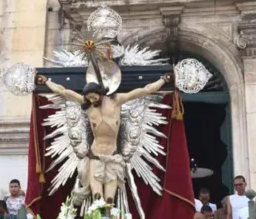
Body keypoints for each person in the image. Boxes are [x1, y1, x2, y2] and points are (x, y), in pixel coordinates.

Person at [35, 72, 174, 204]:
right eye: (89, 98)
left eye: (94, 97)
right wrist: (46, 81)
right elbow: (62, 91)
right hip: (95, 156)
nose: (91, 100)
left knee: (109, 199)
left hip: (113, 156)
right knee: (97, 197)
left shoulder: (116, 100)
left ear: (100, 93)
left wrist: (164, 79)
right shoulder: (88, 105)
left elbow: (145, 90)